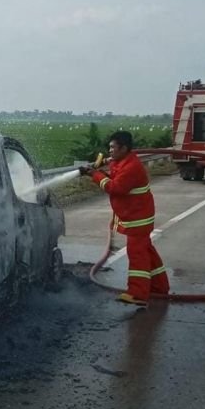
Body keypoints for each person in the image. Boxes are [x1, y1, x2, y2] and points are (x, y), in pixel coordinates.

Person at [80, 131, 169, 306]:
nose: (110, 150)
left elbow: (116, 187)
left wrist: (95, 175)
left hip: (138, 218)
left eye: (113, 147)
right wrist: (98, 168)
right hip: (136, 215)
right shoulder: (122, 161)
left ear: (124, 148)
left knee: (137, 254)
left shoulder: (131, 167)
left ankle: (138, 293)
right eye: (110, 147)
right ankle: (160, 286)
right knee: (147, 251)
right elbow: (113, 170)